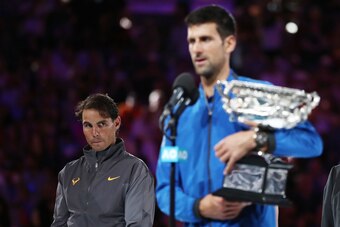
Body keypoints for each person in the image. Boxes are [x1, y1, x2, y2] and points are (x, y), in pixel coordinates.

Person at [156, 5, 323, 227]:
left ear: (230, 43)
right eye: (192, 41)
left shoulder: (259, 96)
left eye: (205, 39)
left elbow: (311, 143)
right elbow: (164, 189)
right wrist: (198, 207)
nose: (196, 49)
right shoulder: (179, 114)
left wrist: (256, 140)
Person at [51, 93, 155, 226]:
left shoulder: (135, 170)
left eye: (101, 124)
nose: (95, 133)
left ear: (116, 123)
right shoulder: (68, 172)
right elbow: (59, 223)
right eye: (88, 125)